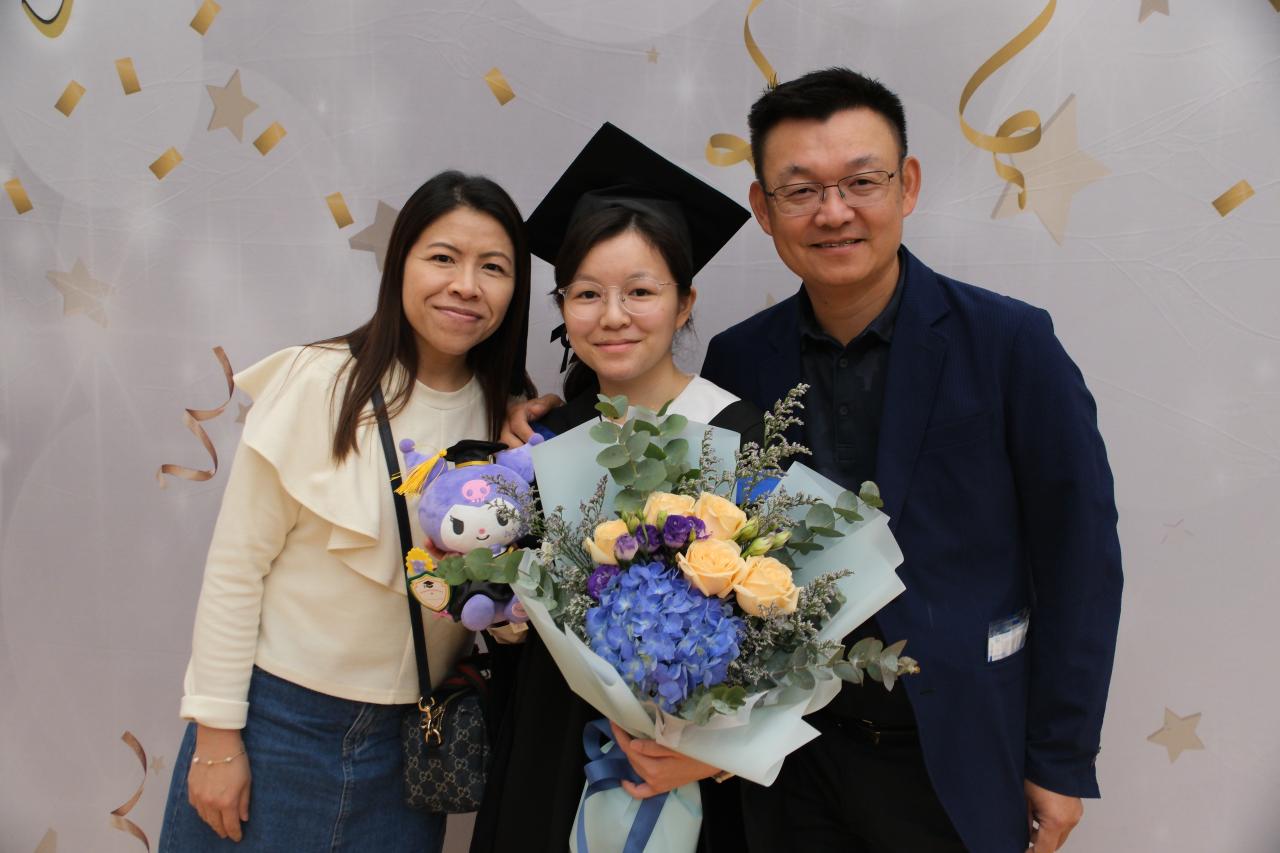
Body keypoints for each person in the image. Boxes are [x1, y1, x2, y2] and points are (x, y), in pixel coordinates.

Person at [509, 70, 1123, 853]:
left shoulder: (1009, 344)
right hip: (784, 771)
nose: (833, 212)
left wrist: (1061, 756)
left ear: (907, 185)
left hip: (956, 748)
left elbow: (1080, 558)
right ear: (764, 209)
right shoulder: (741, 360)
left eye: (862, 181)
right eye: (801, 191)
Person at [158, 170, 535, 852]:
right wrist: (216, 736)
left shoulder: (505, 421)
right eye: (443, 257)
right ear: (401, 265)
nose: (466, 285)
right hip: (277, 727)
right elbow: (237, 566)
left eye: (493, 267)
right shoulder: (319, 381)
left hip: (412, 746)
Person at [472, 123, 759, 853]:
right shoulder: (540, 442)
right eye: (587, 293)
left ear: (685, 302)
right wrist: (503, 619)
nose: (613, 316)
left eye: (640, 291)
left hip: (691, 764)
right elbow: (511, 618)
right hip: (549, 748)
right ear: (564, 305)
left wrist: (714, 754)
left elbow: (782, 631)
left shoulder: (736, 430)